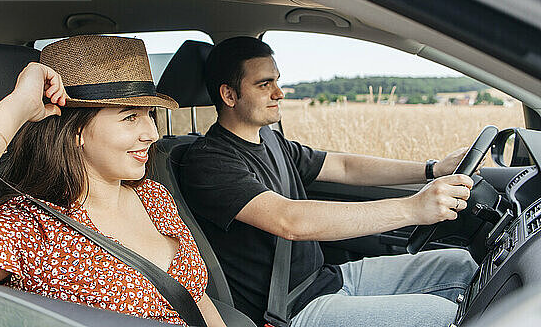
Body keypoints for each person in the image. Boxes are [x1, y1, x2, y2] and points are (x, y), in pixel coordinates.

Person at [180, 36, 479, 327]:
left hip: (328, 278)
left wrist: (432, 169)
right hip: (291, 310)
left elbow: (344, 166)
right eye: (264, 84)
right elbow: (290, 221)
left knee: (460, 264)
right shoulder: (208, 162)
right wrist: (414, 208)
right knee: (441, 316)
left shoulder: (271, 140)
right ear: (229, 95)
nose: (279, 93)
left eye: (276, 81)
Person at [0, 35, 226, 327]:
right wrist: (16, 107)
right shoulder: (35, 228)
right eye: (130, 117)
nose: (152, 133)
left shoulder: (154, 197)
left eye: (150, 114)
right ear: (76, 131)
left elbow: (196, 296)